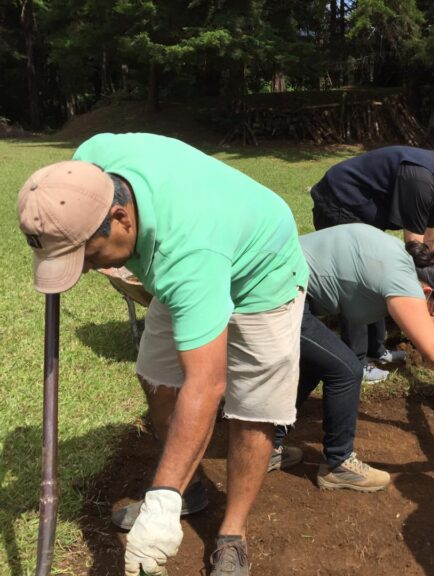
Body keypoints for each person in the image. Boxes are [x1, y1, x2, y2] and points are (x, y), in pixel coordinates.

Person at [16, 132, 309, 576]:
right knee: (155, 375)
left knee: (253, 408)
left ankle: (232, 534)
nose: (89, 268)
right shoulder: (81, 172)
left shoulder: (187, 254)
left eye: (88, 255)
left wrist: (160, 499)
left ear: (120, 218)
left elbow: (207, 384)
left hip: (260, 273)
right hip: (192, 257)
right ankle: (185, 491)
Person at [274, 223, 434, 492]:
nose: (433, 315)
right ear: (428, 291)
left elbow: (423, 311)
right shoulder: (400, 278)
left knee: (320, 362)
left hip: (282, 280)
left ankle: (270, 444)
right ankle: (338, 465)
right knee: (347, 369)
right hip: (277, 292)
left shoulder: (402, 262)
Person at [310, 145, 434, 382]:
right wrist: (421, 292)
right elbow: (414, 249)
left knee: (380, 277)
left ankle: (376, 349)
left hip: (362, 215)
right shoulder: (422, 178)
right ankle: (357, 361)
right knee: (360, 281)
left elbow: (428, 235)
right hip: (338, 202)